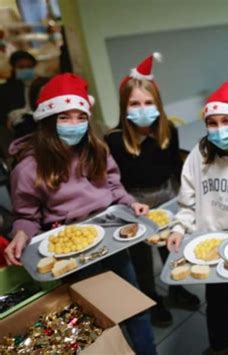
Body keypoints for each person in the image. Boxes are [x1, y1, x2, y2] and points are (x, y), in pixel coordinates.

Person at [3, 73, 157, 355]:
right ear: (48, 121)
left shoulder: (96, 149)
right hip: (70, 257)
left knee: (134, 305)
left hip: (112, 242)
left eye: (80, 117)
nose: (74, 125)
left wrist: (129, 202)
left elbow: (113, 186)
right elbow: (26, 215)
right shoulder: (28, 168)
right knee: (98, 316)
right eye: (65, 117)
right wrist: (22, 233)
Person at [167, 81, 228, 355]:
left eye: (226, 121)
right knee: (217, 302)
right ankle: (218, 344)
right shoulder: (199, 156)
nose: (220, 129)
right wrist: (179, 227)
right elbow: (187, 200)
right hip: (210, 245)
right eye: (212, 122)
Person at [106, 53, 200, 327]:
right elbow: (114, 180)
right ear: (125, 107)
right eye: (135, 104)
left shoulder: (168, 130)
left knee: (170, 246)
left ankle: (175, 287)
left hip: (166, 195)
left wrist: (184, 202)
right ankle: (151, 298)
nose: (142, 108)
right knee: (141, 259)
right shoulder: (114, 139)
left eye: (148, 103)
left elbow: (174, 168)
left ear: (158, 104)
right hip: (133, 201)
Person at [0, 50, 40, 158]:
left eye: (29, 66)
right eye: (21, 67)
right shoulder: (5, 89)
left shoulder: (41, 84)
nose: (26, 70)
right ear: (14, 68)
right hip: (17, 128)